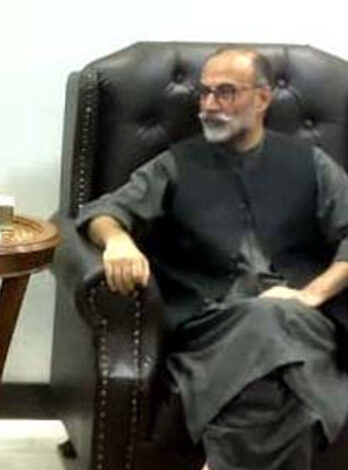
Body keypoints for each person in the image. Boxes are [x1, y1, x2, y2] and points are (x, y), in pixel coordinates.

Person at [78, 47, 348, 469]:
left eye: (225, 92)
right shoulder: (176, 164)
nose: (208, 105)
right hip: (212, 320)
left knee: (273, 327)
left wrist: (312, 294)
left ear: (263, 98)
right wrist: (117, 240)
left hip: (303, 318)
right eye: (203, 93)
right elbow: (105, 210)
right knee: (288, 378)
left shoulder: (310, 164)